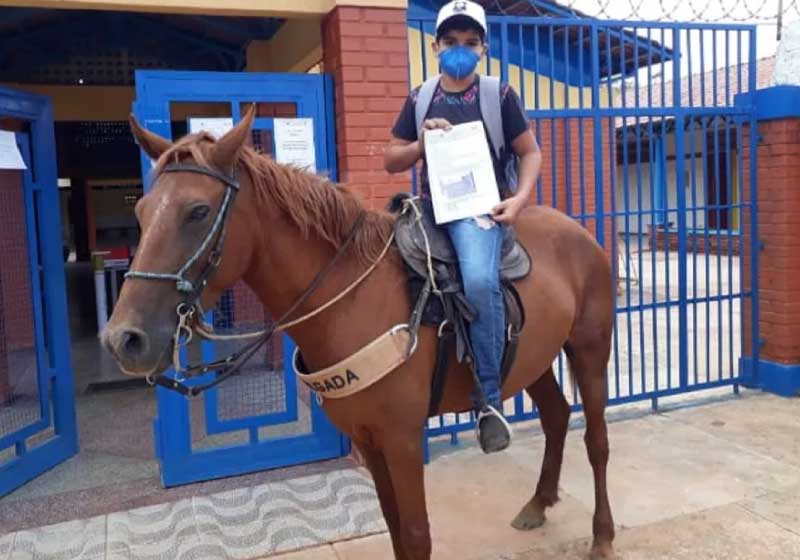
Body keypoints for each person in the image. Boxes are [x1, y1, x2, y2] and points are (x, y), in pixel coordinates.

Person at [384, 0, 542, 453]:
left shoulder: (499, 96)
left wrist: (519, 200)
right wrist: (420, 144)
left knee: (476, 280)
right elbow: (391, 159)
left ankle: (488, 401)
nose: (460, 49)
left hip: (480, 213)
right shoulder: (420, 97)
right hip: (430, 210)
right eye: (451, 41)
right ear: (435, 47)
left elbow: (530, 153)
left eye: (470, 42)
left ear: (484, 48)